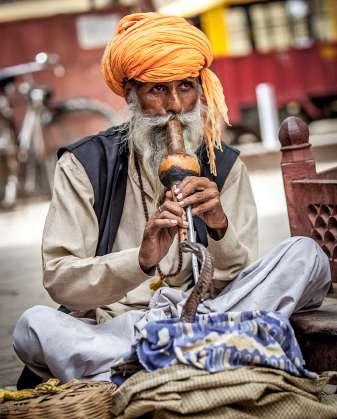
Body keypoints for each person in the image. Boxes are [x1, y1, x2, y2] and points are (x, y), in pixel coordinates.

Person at [13, 12, 330, 384]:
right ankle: (207, 353)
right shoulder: (84, 164)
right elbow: (61, 280)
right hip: (120, 326)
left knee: (305, 255)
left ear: (200, 88)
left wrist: (219, 227)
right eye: (158, 90)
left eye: (186, 86)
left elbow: (238, 278)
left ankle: (152, 363)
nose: (176, 106)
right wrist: (141, 260)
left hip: (209, 314)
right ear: (131, 94)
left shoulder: (224, 165)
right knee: (33, 327)